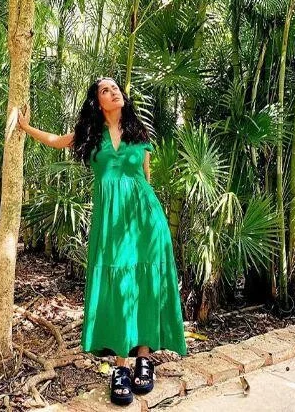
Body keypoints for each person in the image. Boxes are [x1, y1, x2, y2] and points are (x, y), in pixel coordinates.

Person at [17, 78, 187, 406]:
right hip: (111, 223)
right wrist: (25, 127)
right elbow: (57, 141)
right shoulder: (90, 134)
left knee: (144, 284)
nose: (114, 92)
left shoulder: (139, 132)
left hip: (146, 220)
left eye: (115, 88)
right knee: (118, 285)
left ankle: (143, 359)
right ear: (98, 102)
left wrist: (151, 220)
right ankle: (120, 367)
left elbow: (146, 179)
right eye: (106, 90)